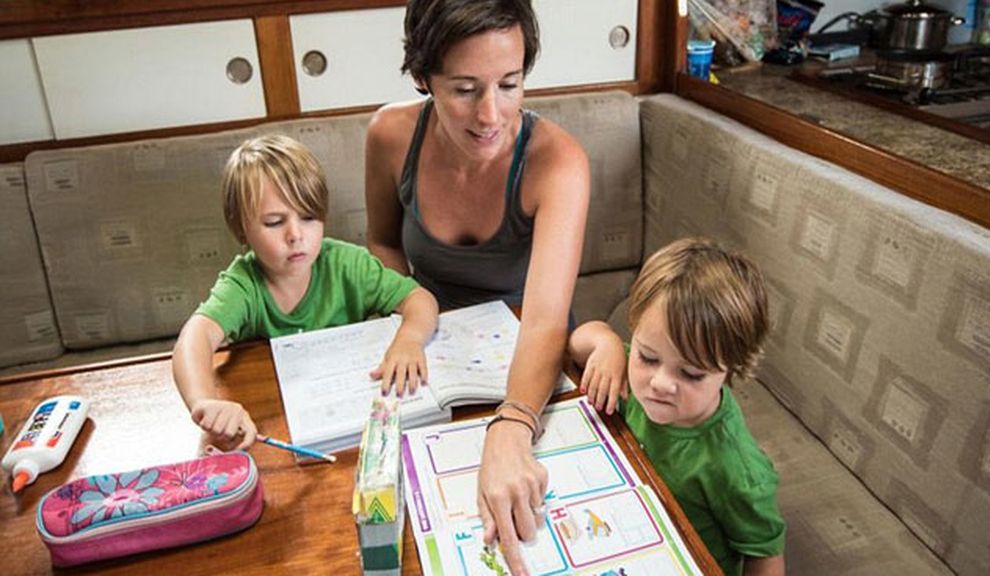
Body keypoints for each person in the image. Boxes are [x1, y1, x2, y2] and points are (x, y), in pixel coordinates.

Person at [364, 1, 589, 573]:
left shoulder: (557, 162)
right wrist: (414, 321)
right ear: (424, 78)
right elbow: (384, 246)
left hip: (529, 370)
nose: (492, 114)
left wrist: (514, 424)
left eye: (509, 84)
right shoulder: (390, 135)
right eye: (464, 89)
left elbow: (545, 318)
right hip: (428, 358)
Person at [173, 135, 438, 451]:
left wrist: (409, 340)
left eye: (309, 217)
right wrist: (204, 400)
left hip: (354, 417)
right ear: (241, 229)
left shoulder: (348, 265)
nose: (295, 235)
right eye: (274, 222)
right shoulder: (243, 284)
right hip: (278, 424)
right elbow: (194, 338)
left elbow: (419, 299)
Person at [568, 238, 786, 576]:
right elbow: (578, 341)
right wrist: (606, 343)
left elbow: (765, 553)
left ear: (733, 368)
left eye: (691, 373)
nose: (660, 383)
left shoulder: (736, 468)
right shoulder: (626, 368)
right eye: (648, 356)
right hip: (622, 529)